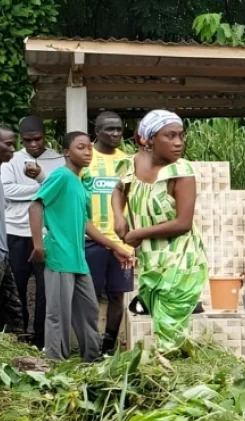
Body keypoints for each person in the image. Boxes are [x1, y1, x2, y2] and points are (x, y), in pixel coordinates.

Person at [29, 132, 132, 362]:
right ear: (67, 152)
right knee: (58, 313)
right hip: (58, 254)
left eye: (89, 148)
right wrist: (38, 245)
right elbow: (35, 206)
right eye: (80, 147)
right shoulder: (62, 176)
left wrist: (114, 246)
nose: (87, 152)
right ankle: (56, 362)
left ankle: (92, 359)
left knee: (89, 310)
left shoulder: (79, 182)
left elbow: (86, 224)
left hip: (78, 258)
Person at [112, 110, 208, 352]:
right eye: (170, 136)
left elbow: (183, 223)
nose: (178, 142)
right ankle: (176, 374)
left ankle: (175, 380)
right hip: (152, 263)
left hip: (181, 263)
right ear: (149, 139)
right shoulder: (131, 164)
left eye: (181, 136)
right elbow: (118, 189)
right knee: (164, 331)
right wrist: (118, 216)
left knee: (169, 335)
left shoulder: (181, 171)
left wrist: (138, 234)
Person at [1, 116, 65, 347]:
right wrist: (42, 188)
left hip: (46, 234)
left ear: (44, 136)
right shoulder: (11, 158)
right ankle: (17, 339)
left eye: (37, 139)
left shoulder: (57, 159)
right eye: (27, 140)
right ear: (21, 139)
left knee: (44, 290)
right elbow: (8, 190)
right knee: (15, 287)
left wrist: (42, 183)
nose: (33, 144)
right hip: (15, 231)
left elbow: (60, 191)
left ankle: (41, 339)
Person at [83, 111, 134, 354]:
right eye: (109, 130)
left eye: (119, 130)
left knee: (117, 296)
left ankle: (107, 349)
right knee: (89, 296)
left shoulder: (128, 161)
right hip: (90, 240)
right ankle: (89, 347)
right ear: (97, 131)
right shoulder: (85, 158)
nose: (115, 134)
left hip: (122, 244)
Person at [0, 126, 25, 335]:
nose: (13, 149)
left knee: (13, 310)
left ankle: (13, 355)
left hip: (3, 252)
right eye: (8, 144)